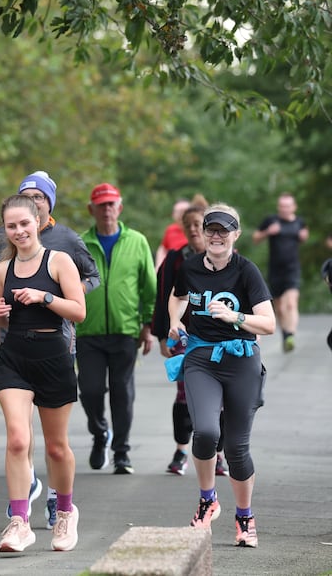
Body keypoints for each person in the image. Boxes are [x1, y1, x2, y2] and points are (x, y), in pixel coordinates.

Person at [0, 171, 99, 529]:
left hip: (53, 355)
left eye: (24, 224)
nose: (18, 231)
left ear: (38, 221)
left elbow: (78, 311)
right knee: (18, 440)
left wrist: (45, 297)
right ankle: (19, 521)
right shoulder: (3, 269)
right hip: (13, 357)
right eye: (11, 226)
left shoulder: (60, 260)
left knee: (55, 447)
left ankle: (65, 510)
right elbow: (6, 322)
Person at [168, 203, 274, 548]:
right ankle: (207, 499)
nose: (216, 236)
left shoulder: (247, 272)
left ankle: (244, 516)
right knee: (206, 432)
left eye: (223, 231)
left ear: (235, 236)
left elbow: (269, 324)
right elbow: (177, 296)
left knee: (237, 447)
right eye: (211, 229)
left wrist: (236, 317)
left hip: (241, 359)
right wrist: (173, 322)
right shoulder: (190, 267)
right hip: (200, 358)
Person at [76, 183, 157, 475]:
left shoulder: (137, 241)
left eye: (112, 204)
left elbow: (149, 288)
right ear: (92, 210)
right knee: (91, 391)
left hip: (125, 331)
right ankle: (100, 434)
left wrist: (148, 325)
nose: (107, 210)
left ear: (119, 208)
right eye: (101, 205)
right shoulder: (80, 243)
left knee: (123, 393)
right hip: (88, 332)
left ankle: (122, 453)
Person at [150, 197, 229, 477]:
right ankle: (181, 450)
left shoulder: (225, 259)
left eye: (198, 224)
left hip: (219, 337)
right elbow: (163, 298)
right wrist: (160, 333)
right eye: (188, 225)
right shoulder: (175, 259)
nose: (194, 230)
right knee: (184, 394)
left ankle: (218, 454)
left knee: (218, 397)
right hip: (183, 336)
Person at [252, 193, 308, 352]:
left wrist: (304, 236)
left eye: (287, 206)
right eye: (282, 206)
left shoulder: (299, 222)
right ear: (279, 207)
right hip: (275, 270)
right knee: (280, 308)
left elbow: (304, 235)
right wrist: (267, 232)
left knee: (291, 304)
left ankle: (290, 334)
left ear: (293, 207)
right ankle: (285, 334)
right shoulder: (271, 221)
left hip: (292, 269)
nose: (284, 209)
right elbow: (255, 238)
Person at [154, 198, 190, 270]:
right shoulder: (170, 230)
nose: (182, 214)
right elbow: (163, 248)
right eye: (179, 211)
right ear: (173, 215)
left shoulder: (197, 230)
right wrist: (158, 267)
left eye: (185, 211)